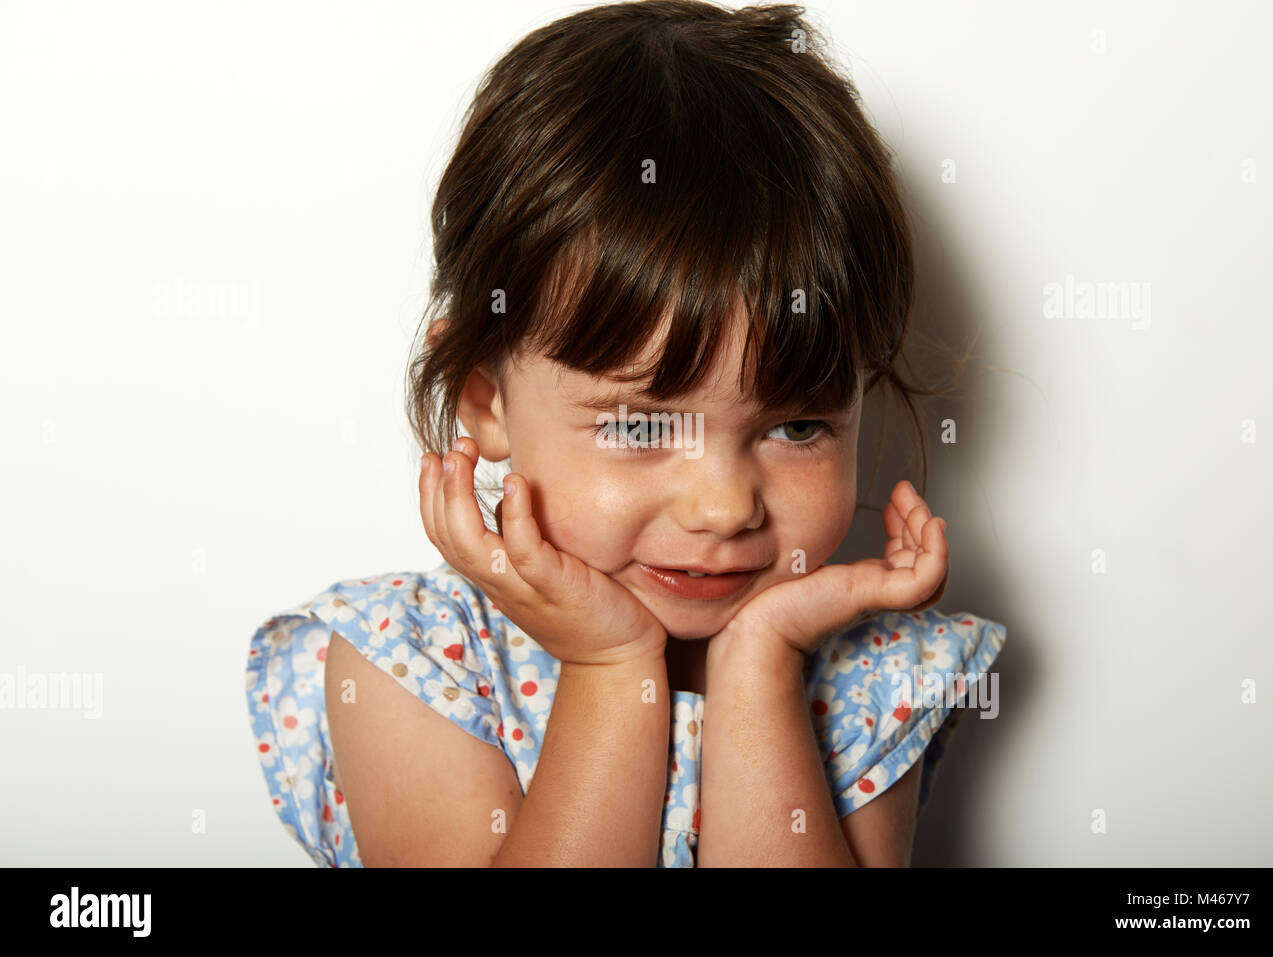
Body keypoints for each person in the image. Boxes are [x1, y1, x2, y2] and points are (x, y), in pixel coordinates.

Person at [244, 0, 1007, 867]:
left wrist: (759, 663)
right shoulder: (414, 663)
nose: (723, 506)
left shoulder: (868, 675)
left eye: (797, 426)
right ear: (485, 399)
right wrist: (612, 667)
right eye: (645, 423)